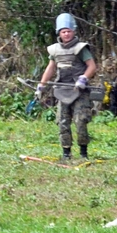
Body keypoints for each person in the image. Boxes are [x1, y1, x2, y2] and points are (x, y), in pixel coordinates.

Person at [36, 13, 97, 160]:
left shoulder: (81, 48)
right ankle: (66, 153)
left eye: (69, 31)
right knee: (63, 122)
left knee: (80, 120)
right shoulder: (54, 50)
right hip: (62, 91)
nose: (66, 34)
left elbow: (92, 66)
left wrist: (83, 78)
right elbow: (50, 69)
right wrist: (41, 86)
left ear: (74, 31)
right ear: (59, 33)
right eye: (63, 31)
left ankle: (83, 153)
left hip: (79, 91)